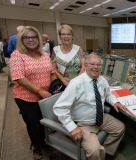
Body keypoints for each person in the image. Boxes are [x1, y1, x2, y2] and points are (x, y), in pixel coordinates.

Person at [53, 53, 126, 160]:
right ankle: (98, 154)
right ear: (85, 65)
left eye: (98, 65)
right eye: (92, 64)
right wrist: (72, 127)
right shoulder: (76, 83)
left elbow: (108, 93)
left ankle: (106, 153)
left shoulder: (102, 80)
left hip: (99, 118)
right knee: (95, 150)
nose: (96, 67)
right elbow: (59, 107)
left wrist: (115, 102)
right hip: (83, 124)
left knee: (120, 128)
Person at [10, 26, 58, 160]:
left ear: (39, 38)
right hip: (26, 97)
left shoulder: (44, 54)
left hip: (45, 97)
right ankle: (36, 145)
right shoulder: (17, 55)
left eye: (34, 37)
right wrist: (39, 90)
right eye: (27, 37)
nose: (31, 40)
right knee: (34, 124)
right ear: (22, 39)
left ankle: (43, 141)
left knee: (45, 123)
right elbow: (19, 77)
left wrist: (55, 88)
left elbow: (52, 73)